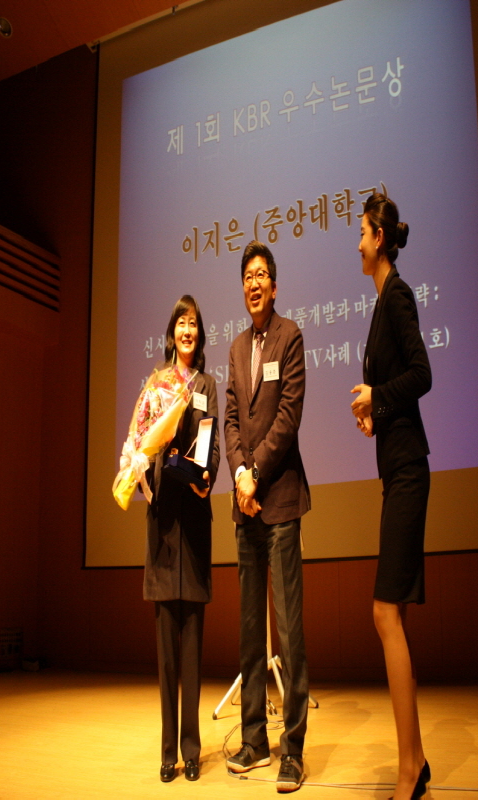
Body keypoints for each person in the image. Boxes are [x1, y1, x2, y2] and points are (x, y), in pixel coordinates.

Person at [350, 194, 432, 800]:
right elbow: (396, 385)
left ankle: (410, 770)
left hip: (407, 471)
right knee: (389, 614)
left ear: (379, 238)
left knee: (384, 613)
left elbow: (422, 374)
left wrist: (377, 398)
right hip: (395, 468)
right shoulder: (381, 303)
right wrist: (374, 411)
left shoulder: (397, 294)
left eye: (360, 233)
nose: (356, 244)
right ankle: (415, 760)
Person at [224, 241, 311, 793]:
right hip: (246, 504)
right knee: (251, 629)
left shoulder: (291, 336)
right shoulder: (235, 347)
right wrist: (239, 474)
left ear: (274, 287)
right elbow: (231, 418)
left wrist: (255, 472)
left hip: (279, 501)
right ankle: (254, 739)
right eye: (247, 276)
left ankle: (293, 749)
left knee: (289, 629)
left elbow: (288, 416)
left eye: (262, 276)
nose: (254, 283)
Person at [141, 295, 220, 783]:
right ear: (171, 333)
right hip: (163, 522)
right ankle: (167, 751)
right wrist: (147, 461)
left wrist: (207, 476)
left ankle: (192, 749)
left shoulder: (208, 385)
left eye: (193, 323)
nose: (187, 330)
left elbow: (213, 443)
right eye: (181, 323)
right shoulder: (156, 384)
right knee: (166, 652)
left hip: (194, 519)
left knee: (191, 646)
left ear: (199, 334)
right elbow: (143, 443)